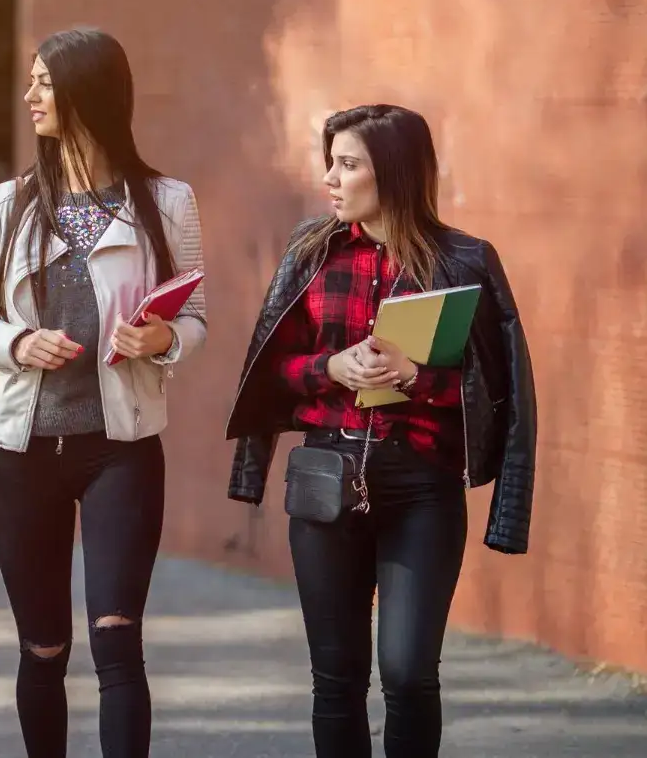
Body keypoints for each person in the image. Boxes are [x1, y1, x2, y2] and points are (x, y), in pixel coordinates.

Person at [224, 104, 536, 758]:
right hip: (324, 486)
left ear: (390, 172)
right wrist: (329, 367)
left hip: (422, 490)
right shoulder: (312, 251)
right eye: (330, 163)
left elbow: (497, 396)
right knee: (335, 681)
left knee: (408, 673)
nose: (331, 179)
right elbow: (268, 369)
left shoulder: (464, 261)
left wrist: (416, 375)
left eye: (348, 164)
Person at [0, 27, 207, 758]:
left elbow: (194, 314)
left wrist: (164, 341)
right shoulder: (3, 204)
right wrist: (18, 344)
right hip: (20, 453)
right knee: (43, 648)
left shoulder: (167, 201)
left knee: (118, 641)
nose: (30, 95)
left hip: (119, 450)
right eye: (31, 81)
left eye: (44, 82)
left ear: (89, 92)